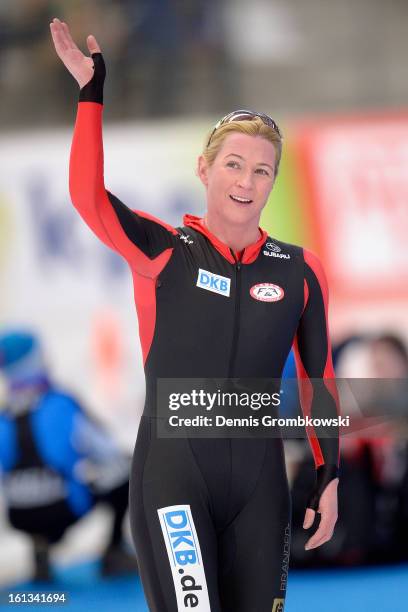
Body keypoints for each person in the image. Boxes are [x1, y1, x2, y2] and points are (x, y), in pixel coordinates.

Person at [50, 17, 339, 611]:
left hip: (260, 487)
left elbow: (319, 381)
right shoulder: (162, 251)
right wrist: (90, 96)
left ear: (273, 183)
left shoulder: (299, 270)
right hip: (174, 477)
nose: (247, 181)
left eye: (263, 170)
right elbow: (88, 198)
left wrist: (327, 474)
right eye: (234, 164)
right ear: (205, 170)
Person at [0, 330, 138, 581]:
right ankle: (113, 551)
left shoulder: (4, 415)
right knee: (128, 468)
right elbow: (107, 451)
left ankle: (39, 549)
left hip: (19, 515)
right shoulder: (60, 403)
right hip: (64, 508)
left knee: (31, 485)